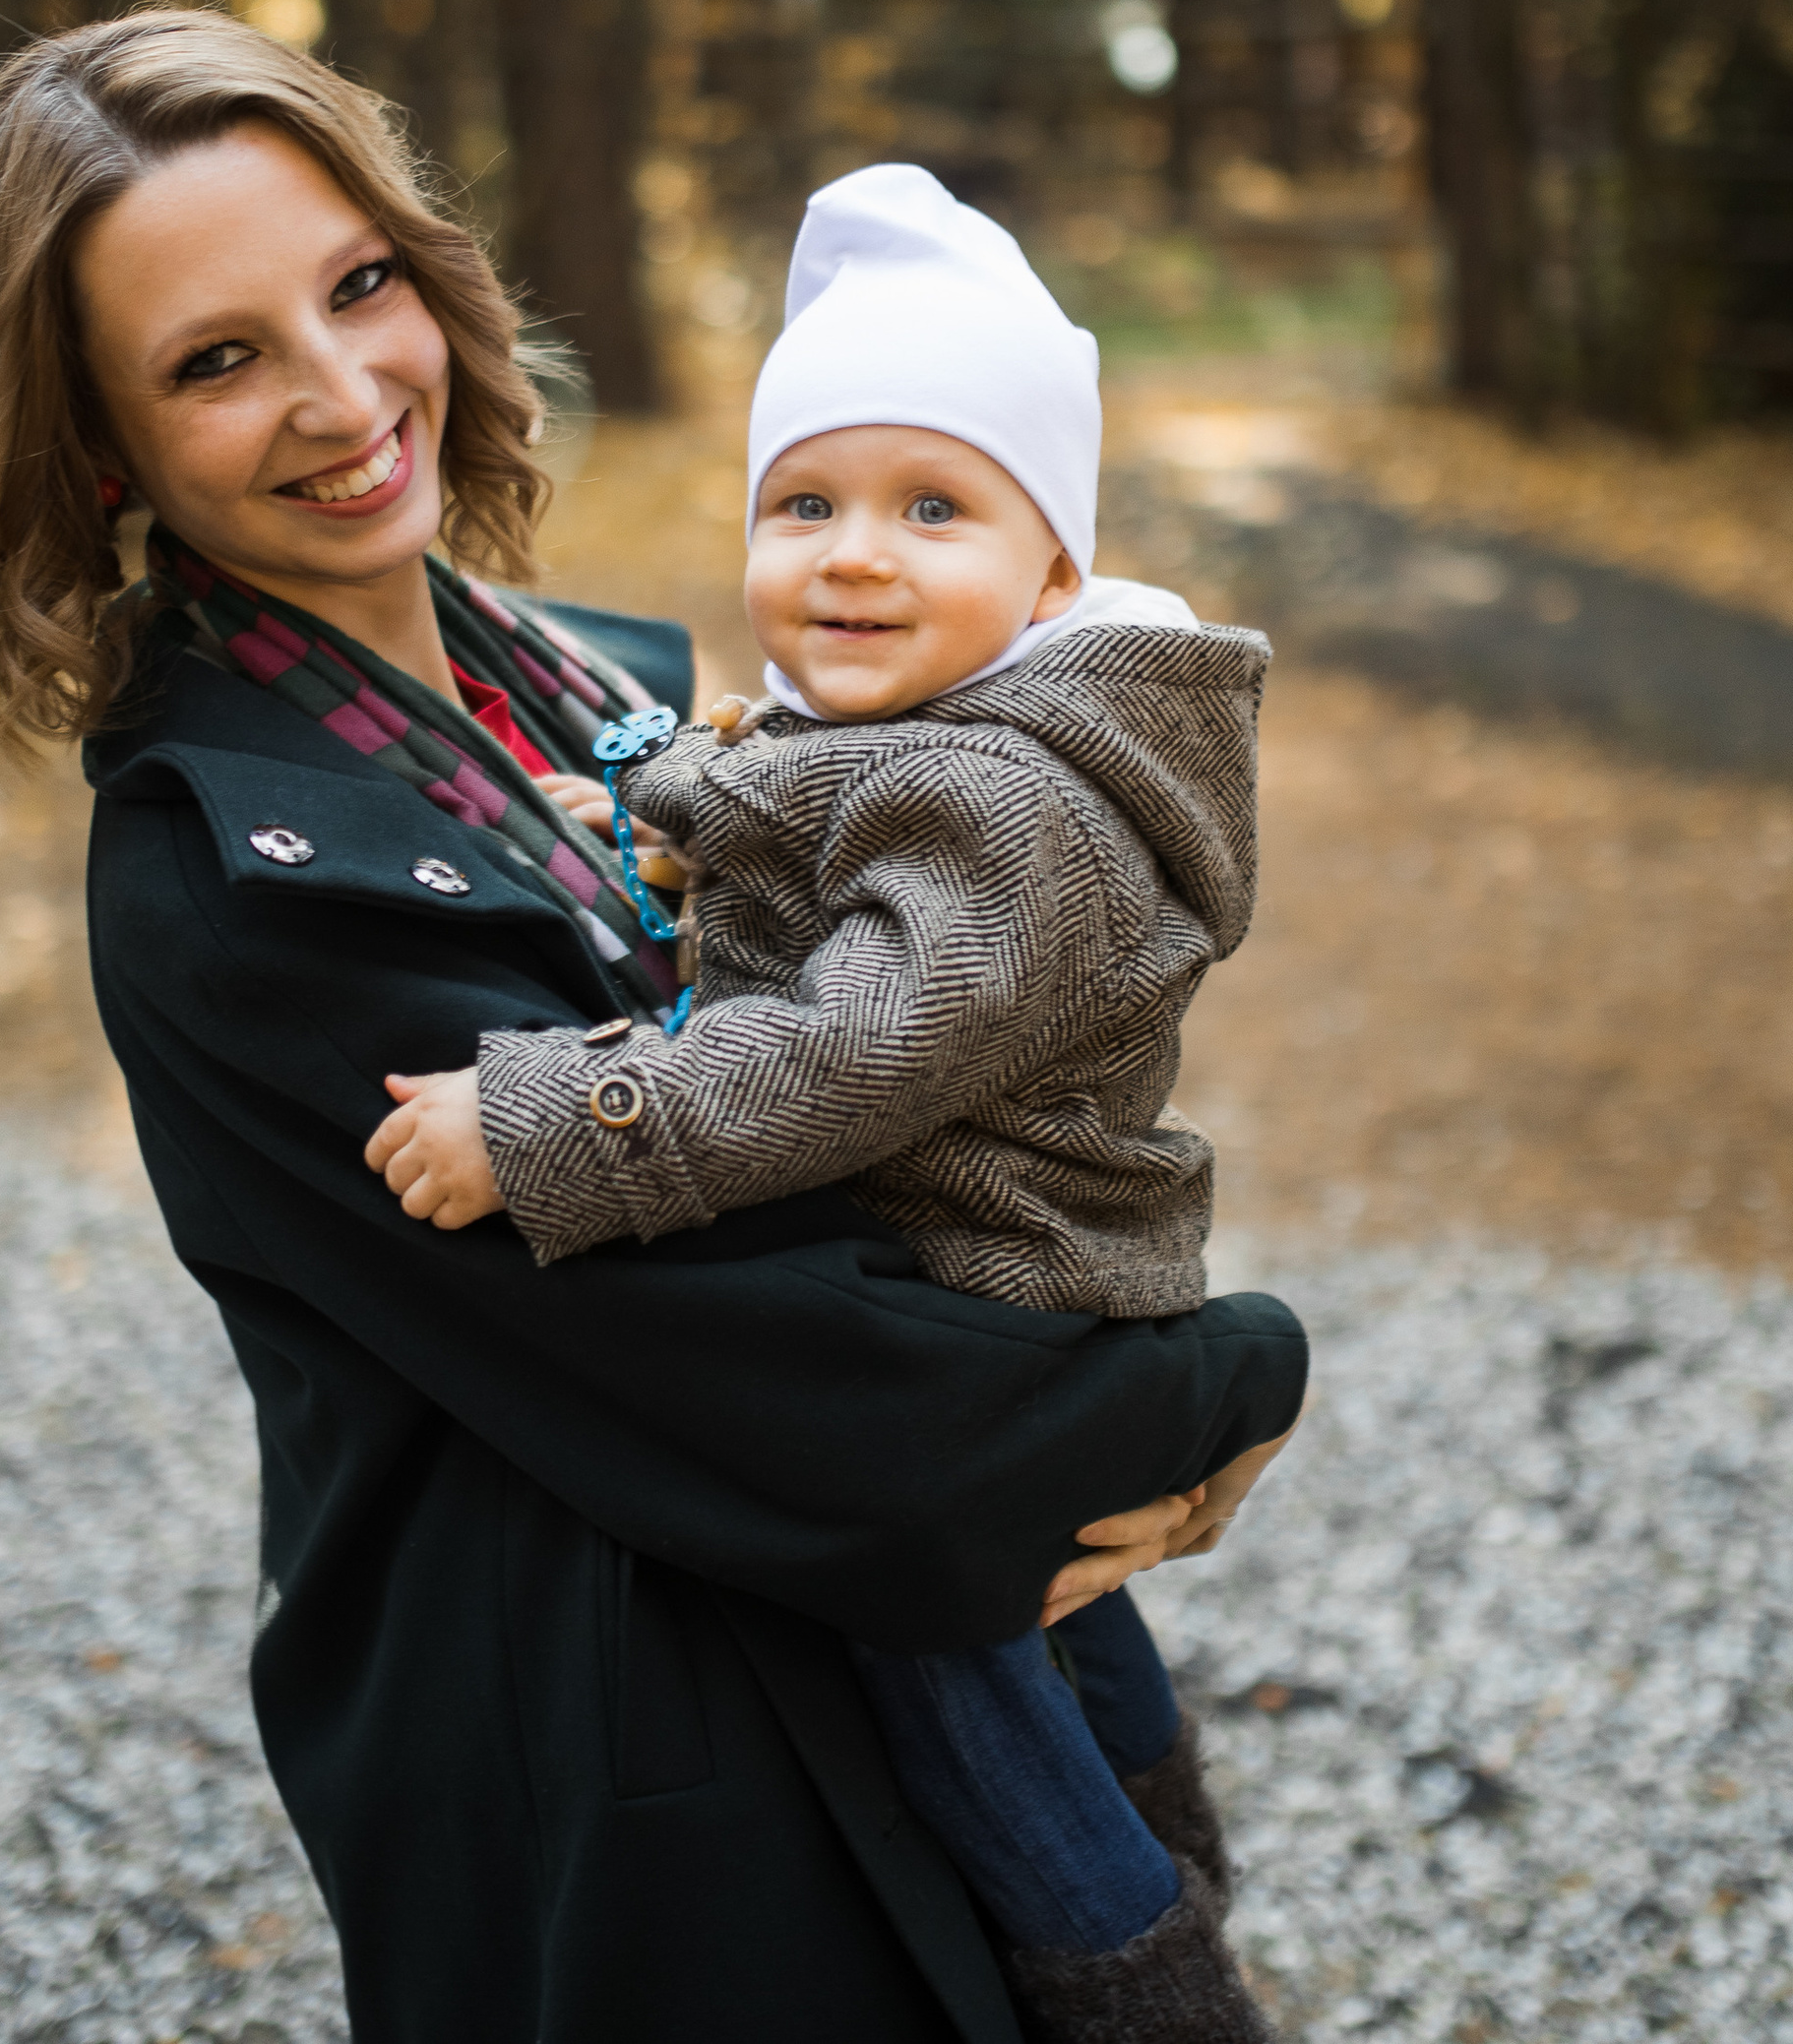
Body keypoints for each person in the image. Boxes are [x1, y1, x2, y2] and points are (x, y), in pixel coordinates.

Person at [0, 6, 1307, 2044]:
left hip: (845, 1671)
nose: (344, 391)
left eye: (357, 286)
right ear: (99, 446)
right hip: (647, 1800)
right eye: (214, 357)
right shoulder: (245, 886)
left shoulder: (580, 684)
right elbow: (799, 1382)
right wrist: (1226, 1369)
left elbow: (890, 1083)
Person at [370, 164, 1289, 2041]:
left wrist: (561, 1123)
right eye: (806, 504)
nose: (853, 553)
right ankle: (1159, 1822)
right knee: (1061, 1607)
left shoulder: (1017, 807)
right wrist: (635, 805)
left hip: (987, 1287)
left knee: (936, 1626)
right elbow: (772, 801)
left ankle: (1139, 1976)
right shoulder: (920, 731)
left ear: (1050, 579)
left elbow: (857, 1041)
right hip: (999, 1264)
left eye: (931, 508)